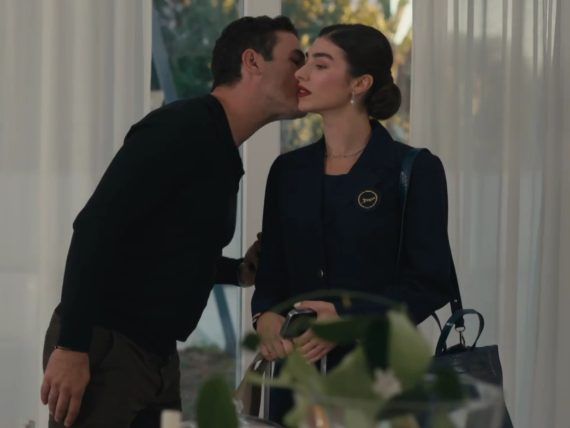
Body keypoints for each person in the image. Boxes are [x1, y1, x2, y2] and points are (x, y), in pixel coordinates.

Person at [41, 15, 306, 428]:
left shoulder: (220, 147)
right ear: (252, 61)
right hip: (107, 346)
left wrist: (238, 271)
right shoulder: (182, 126)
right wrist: (72, 347)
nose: (303, 74)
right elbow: (96, 227)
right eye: (296, 60)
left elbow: (167, 248)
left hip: (155, 355)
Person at [251, 24, 454, 423]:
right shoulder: (288, 171)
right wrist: (265, 316)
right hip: (295, 381)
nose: (301, 73)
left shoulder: (413, 169)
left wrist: (349, 320)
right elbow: (272, 272)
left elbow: (431, 282)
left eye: (320, 64)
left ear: (359, 83)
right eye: (305, 62)